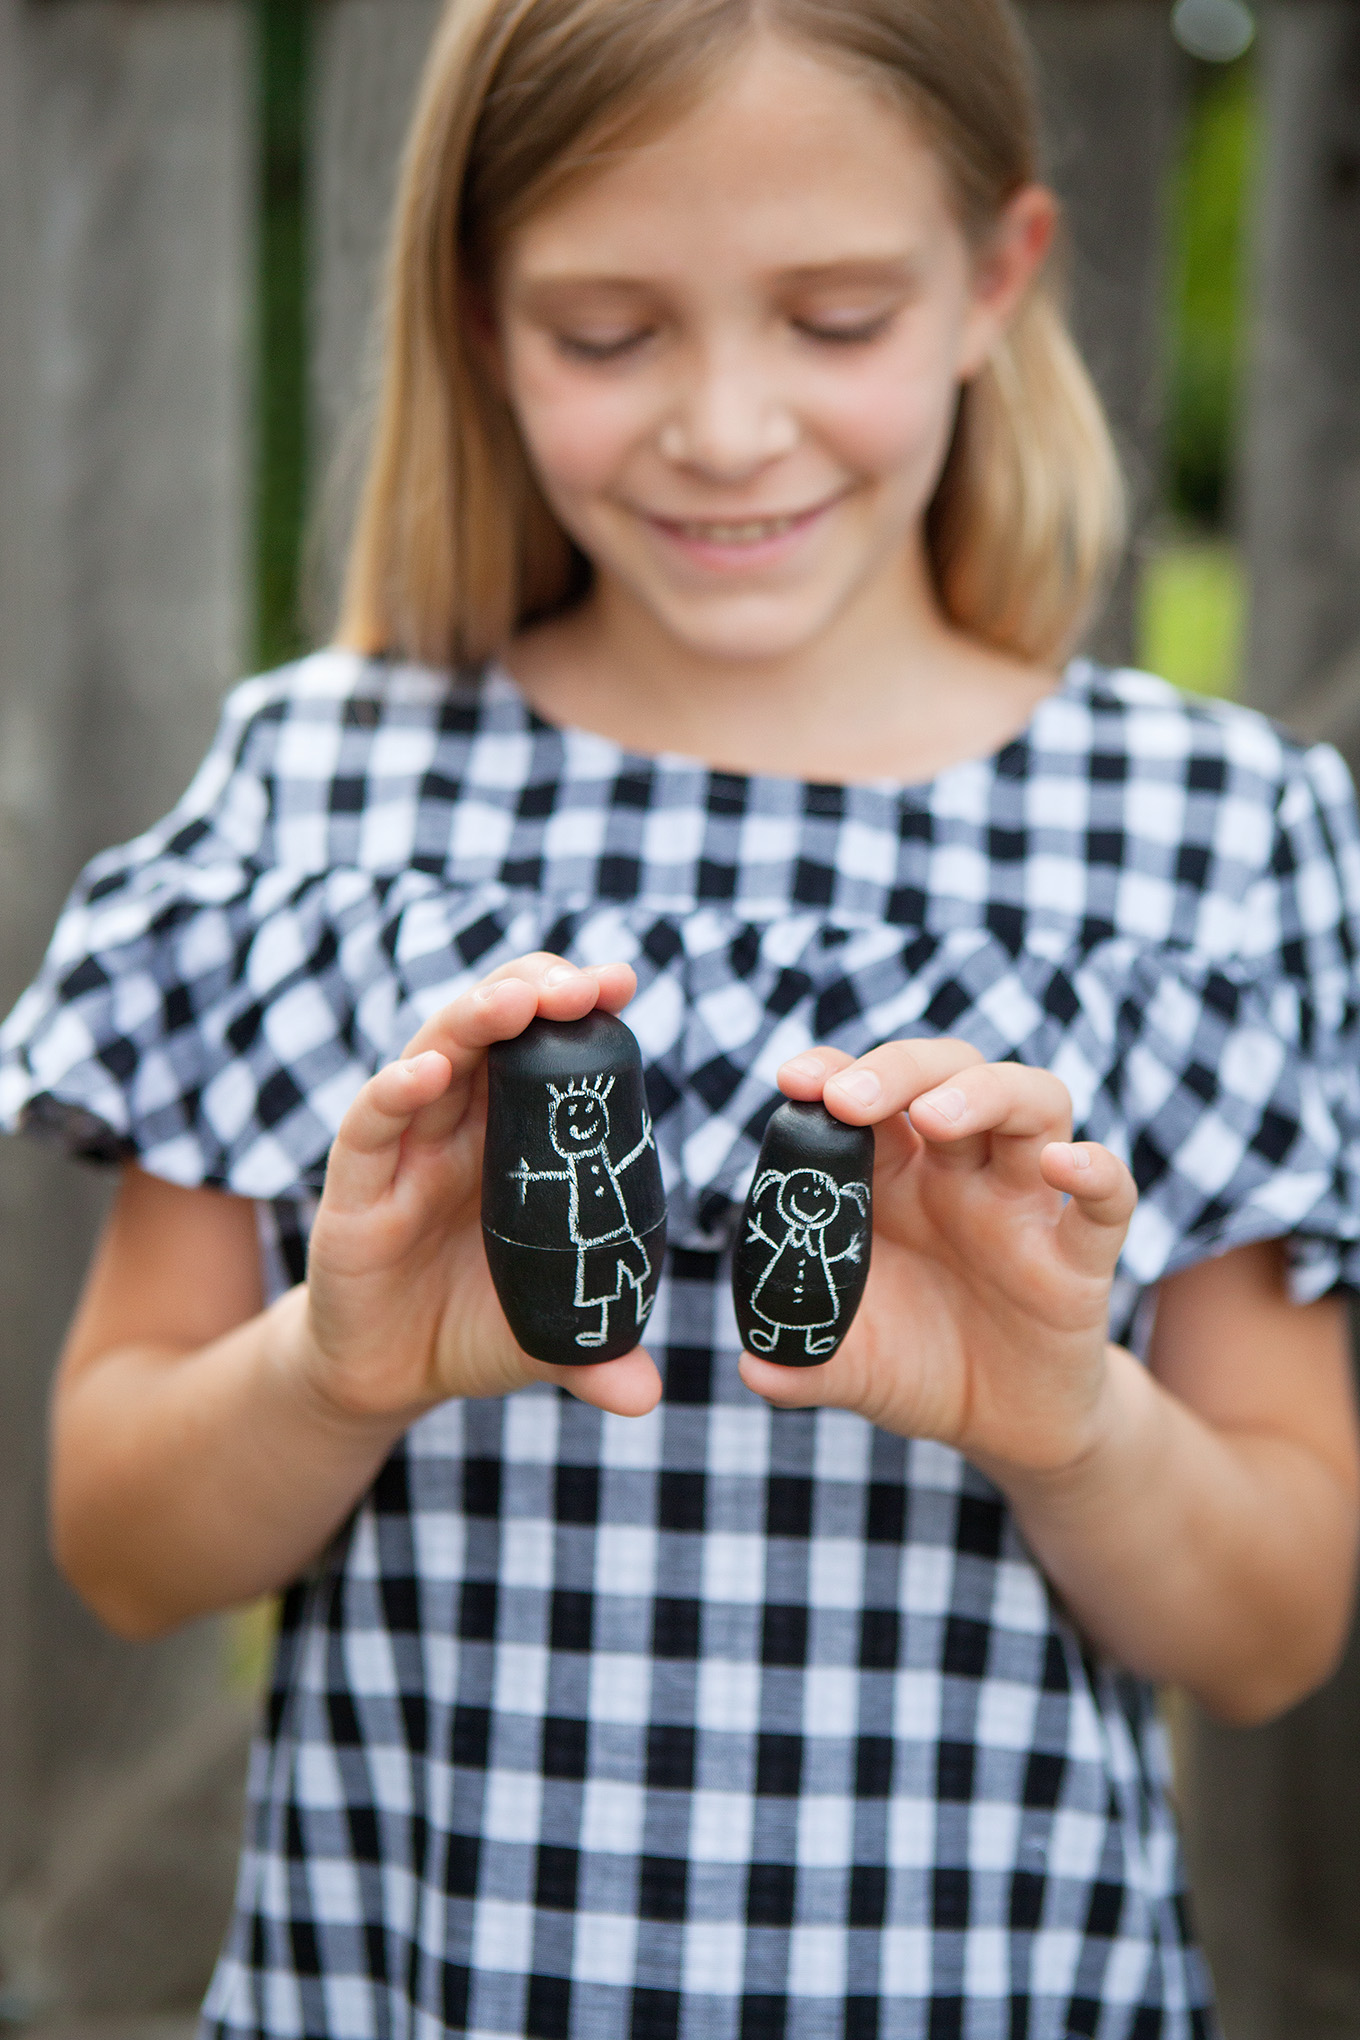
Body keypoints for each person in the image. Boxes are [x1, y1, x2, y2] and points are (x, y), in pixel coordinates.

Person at [3, 0, 1359, 2031]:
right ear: (472, 316)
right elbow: (120, 1541)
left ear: (996, 277)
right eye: (606, 332)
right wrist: (336, 1365)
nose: (725, 427)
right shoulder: (317, 798)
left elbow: (1266, 1627)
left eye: (830, 320)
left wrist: (1063, 1416)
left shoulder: (1203, 842)